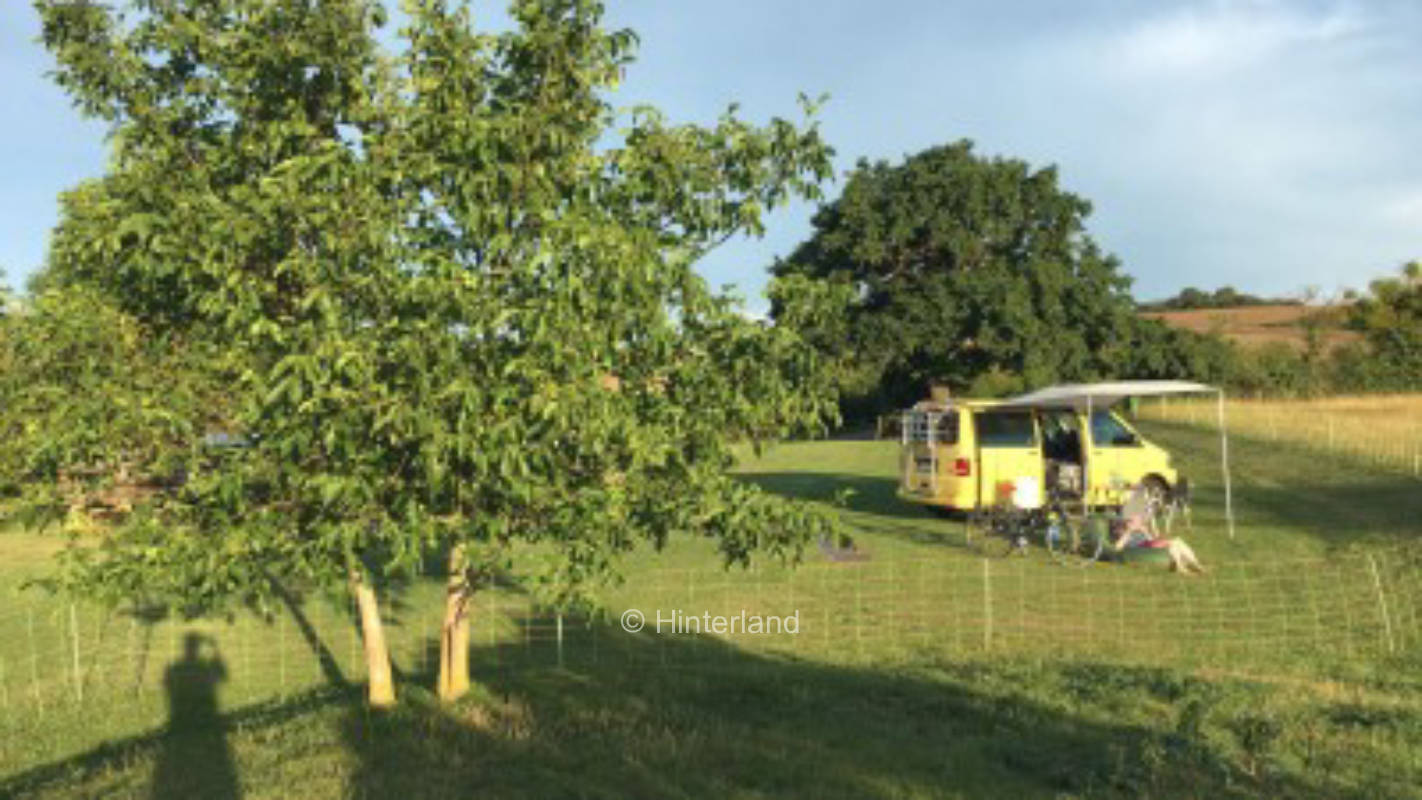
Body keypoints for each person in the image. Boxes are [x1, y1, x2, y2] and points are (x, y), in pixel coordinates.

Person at [1112, 484, 1206, 574]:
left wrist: (1143, 530)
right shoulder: (1120, 519)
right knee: (1174, 543)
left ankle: (1192, 564)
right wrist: (1129, 530)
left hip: (1147, 544)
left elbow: (1150, 539)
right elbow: (1117, 547)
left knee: (1177, 542)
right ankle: (1185, 566)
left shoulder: (1136, 514)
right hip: (1138, 547)